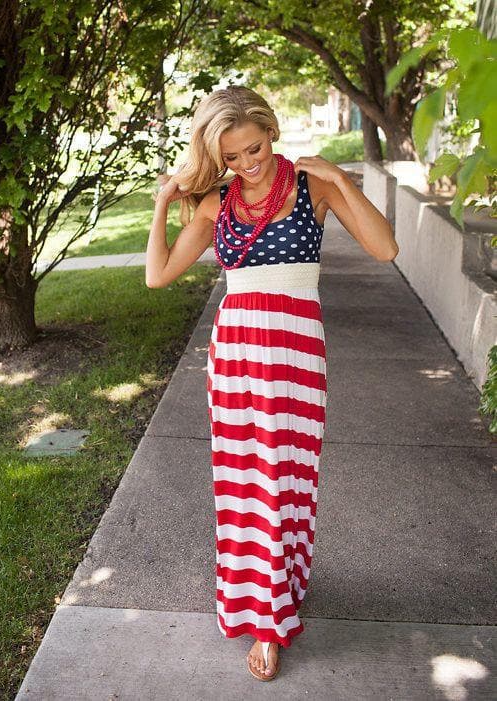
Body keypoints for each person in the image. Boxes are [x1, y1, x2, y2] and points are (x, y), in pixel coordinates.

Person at [146, 85, 398, 681]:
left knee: (287, 480)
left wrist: (340, 176)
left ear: (271, 131)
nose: (246, 164)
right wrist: (161, 204)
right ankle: (264, 617)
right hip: (235, 358)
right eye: (231, 157)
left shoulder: (313, 186)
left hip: (296, 357)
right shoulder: (217, 205)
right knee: (245, 487)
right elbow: (158, 275)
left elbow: (386, 248)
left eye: (253, 148)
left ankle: (285, 581)